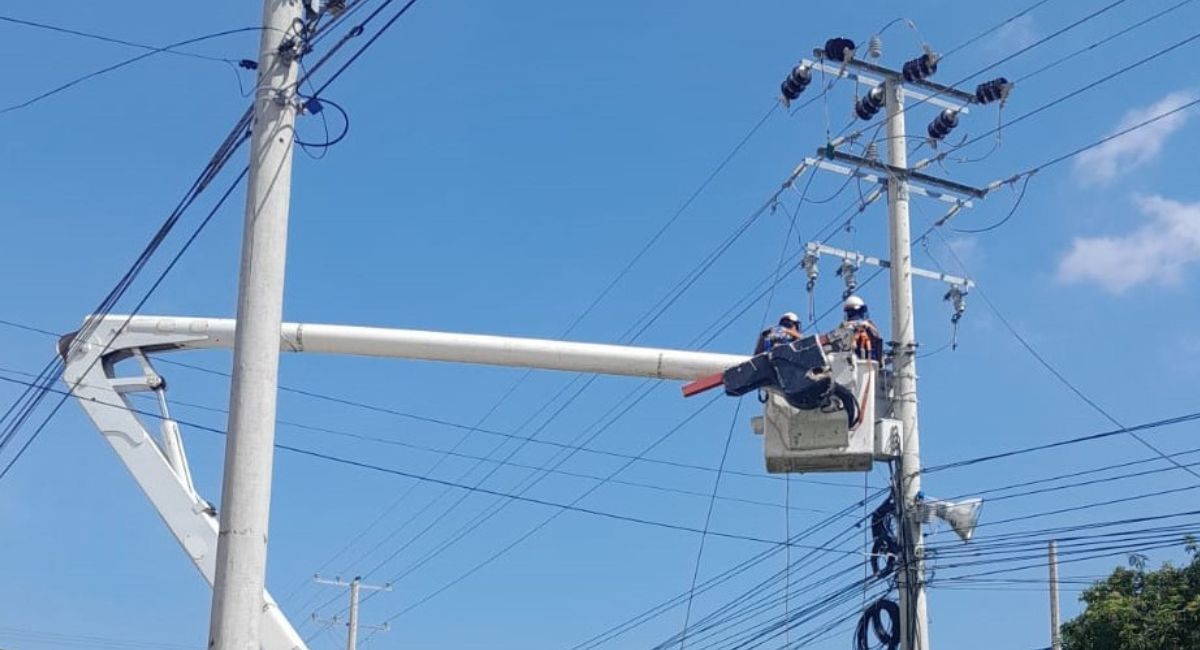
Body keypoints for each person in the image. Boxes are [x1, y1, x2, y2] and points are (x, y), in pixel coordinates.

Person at [835, 295, 882, 361]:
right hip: (855, 360)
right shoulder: (844, 327)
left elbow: (877, 338)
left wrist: (865, 326)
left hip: (867, 359)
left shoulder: (868, 325)